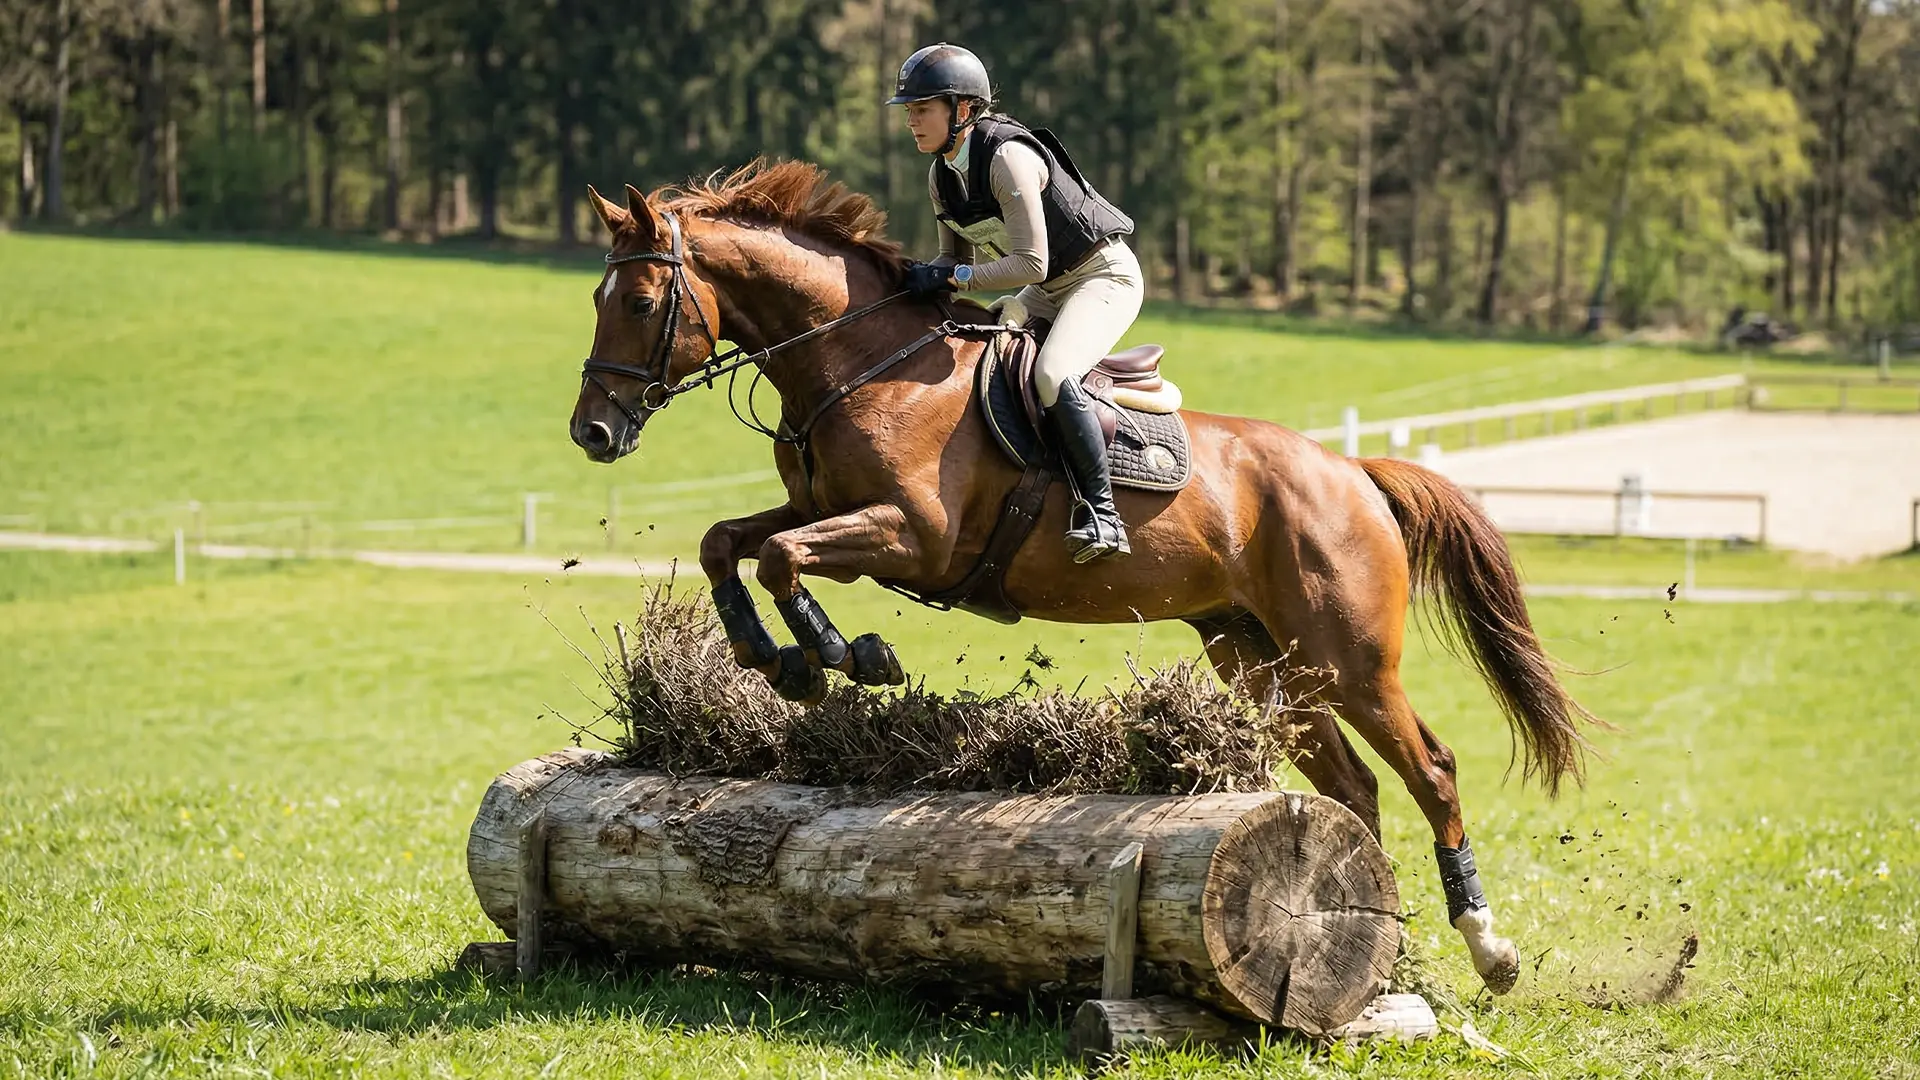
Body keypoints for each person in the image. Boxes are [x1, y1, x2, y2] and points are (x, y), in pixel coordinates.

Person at [888, 43, 1142, 564]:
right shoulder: (941, 175)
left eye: (922, 109)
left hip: (1102, 276)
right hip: (1044, 291)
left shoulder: (1007, 158)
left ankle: (1104, 515)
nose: (911, 121)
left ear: (962, 109)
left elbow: (1031, 263)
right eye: (909, 110)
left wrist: (953, 276)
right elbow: (953, 258)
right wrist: (922, 277)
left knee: (1052, 373)